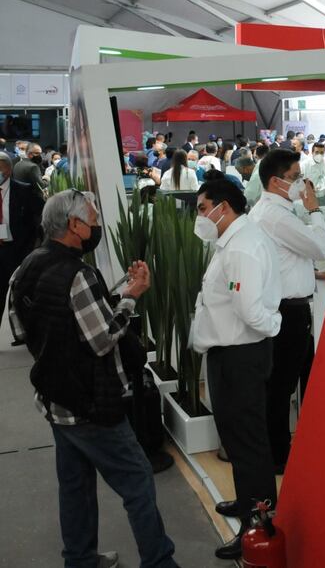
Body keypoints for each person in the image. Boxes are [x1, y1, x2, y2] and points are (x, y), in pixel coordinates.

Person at [9, 189, 178, 568]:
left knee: (75, 486)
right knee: (137, 481)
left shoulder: (27, 266)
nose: (97, 225)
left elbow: (19, 326)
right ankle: (159, 562)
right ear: (74, 225)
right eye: (94, 219)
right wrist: (131, 296)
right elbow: (102, 339)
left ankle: (81, 559)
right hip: (92, 403)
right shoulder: (79, 274)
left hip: (56, 401)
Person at [191, 180, 281, 560]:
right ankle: (246, 503)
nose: (199, 216)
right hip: (228, 354)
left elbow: (251, 311)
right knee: (237, 438)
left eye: (201, 207)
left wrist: (273, 325)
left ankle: (257, 523)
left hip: (241, 356)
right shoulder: (229, 241)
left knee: (248, 444)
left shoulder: (242, 247)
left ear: (222, 207)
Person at [249, 149, 325, 473]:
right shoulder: (278, 216)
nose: (302, 184)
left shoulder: (268, 212)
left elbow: (285, 258)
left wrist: (309, 271)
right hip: (289, 311)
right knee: (281, 388)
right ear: (275, 181)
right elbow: (323, 248)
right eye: (296, 178)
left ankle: (281, 451)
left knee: (281, 385)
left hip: (282, 305)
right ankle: (280, 456)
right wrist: (316, 211)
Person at [0, 152, 43, 317]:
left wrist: (33, 245)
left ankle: (23, 328)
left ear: (9, 171)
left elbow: (41, 213)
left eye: (1, 170)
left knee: (20, 293)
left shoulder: (23, 190)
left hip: (17, 251)